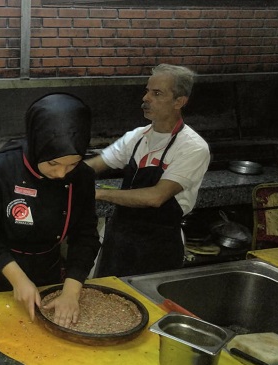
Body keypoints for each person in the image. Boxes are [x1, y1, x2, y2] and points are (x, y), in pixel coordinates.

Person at [0, 93, 101, 328]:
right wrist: (19, 280)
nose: (62, 174)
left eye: (72, 163)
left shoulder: (82, 176)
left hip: (46, 274)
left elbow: (86, 236)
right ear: (36, 144)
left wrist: (70, 293)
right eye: (53, 163)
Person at [85, 64, 210, 277]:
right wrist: (58, 171)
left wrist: (99, 193)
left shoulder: (193, 147)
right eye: (147, 90)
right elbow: (96, 164)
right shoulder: (137, 136)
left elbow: (156, 197)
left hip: (158, 246)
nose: (146, 98)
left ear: (179, 102)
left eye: (157, 93)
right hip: (119, 239)